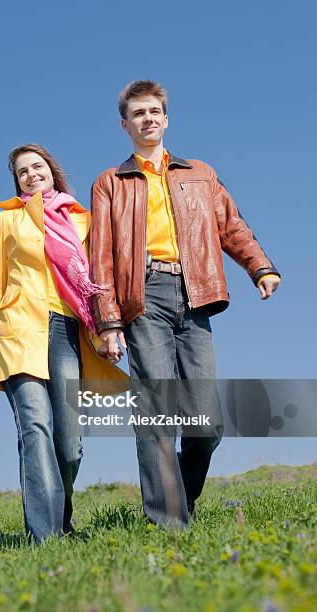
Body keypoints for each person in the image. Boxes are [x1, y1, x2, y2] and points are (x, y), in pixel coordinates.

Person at [91, 80, 281, 528]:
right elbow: (99, 255)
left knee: (207, 422)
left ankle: (182, 496)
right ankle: (168, 522)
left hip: (195, 294)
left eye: (155, 111)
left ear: (166, 118)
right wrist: (108, 322)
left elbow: (231, 226)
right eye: (138, 114)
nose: (148, 119)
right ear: (125, 124)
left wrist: (260, 266)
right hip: (144, 296)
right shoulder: (109, 183)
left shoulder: (199, 173)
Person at [0, 144, 127, 543]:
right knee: (35, 428)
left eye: (37, 167)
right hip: (17, 332)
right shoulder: (8, 221)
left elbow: (99, 281)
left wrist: (109, 328)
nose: (31, 175)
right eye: (22, 172)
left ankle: (61, 516)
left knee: (69, 443)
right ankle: (46, 537)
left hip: (67, 334)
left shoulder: (83, 221)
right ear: (17, 182)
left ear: (52, 171)